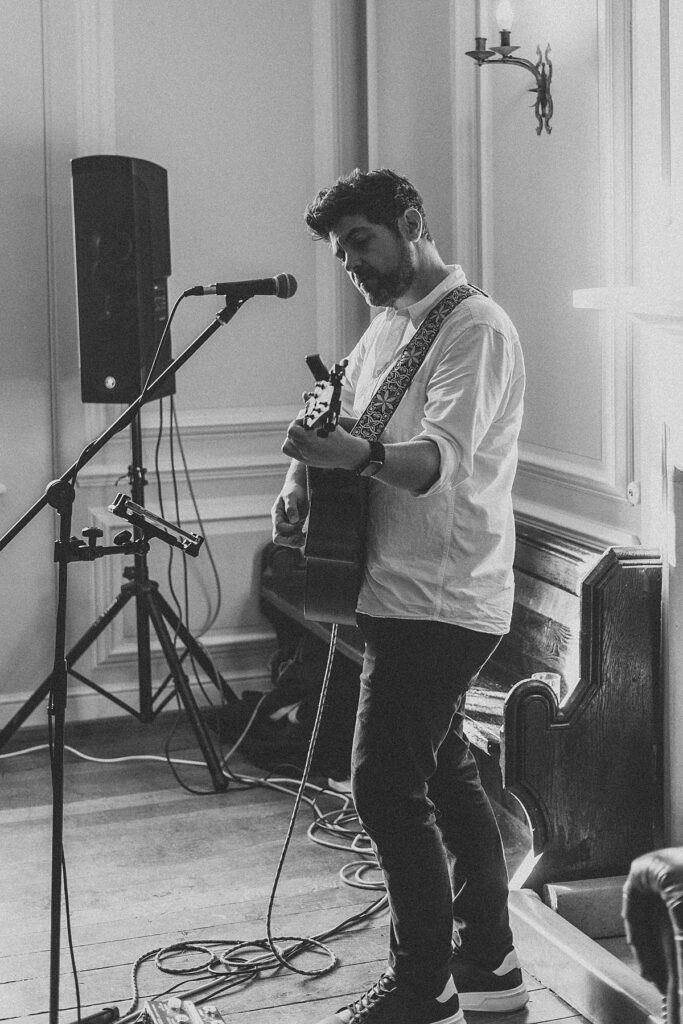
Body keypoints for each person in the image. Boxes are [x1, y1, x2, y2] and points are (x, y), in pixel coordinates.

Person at [271, 168, 527, 1024]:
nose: (352, 265)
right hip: (389, 586)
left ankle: (424, 986)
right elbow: (334, 416)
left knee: (381, 784)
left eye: (363, 244)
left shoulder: (474, 328)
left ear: (411, 223)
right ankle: (489, 966)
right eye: (341, 253)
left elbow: (434, 461)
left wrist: (353, 458)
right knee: (446, 777)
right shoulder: (383, 328)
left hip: (445, 595)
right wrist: (298, 475)